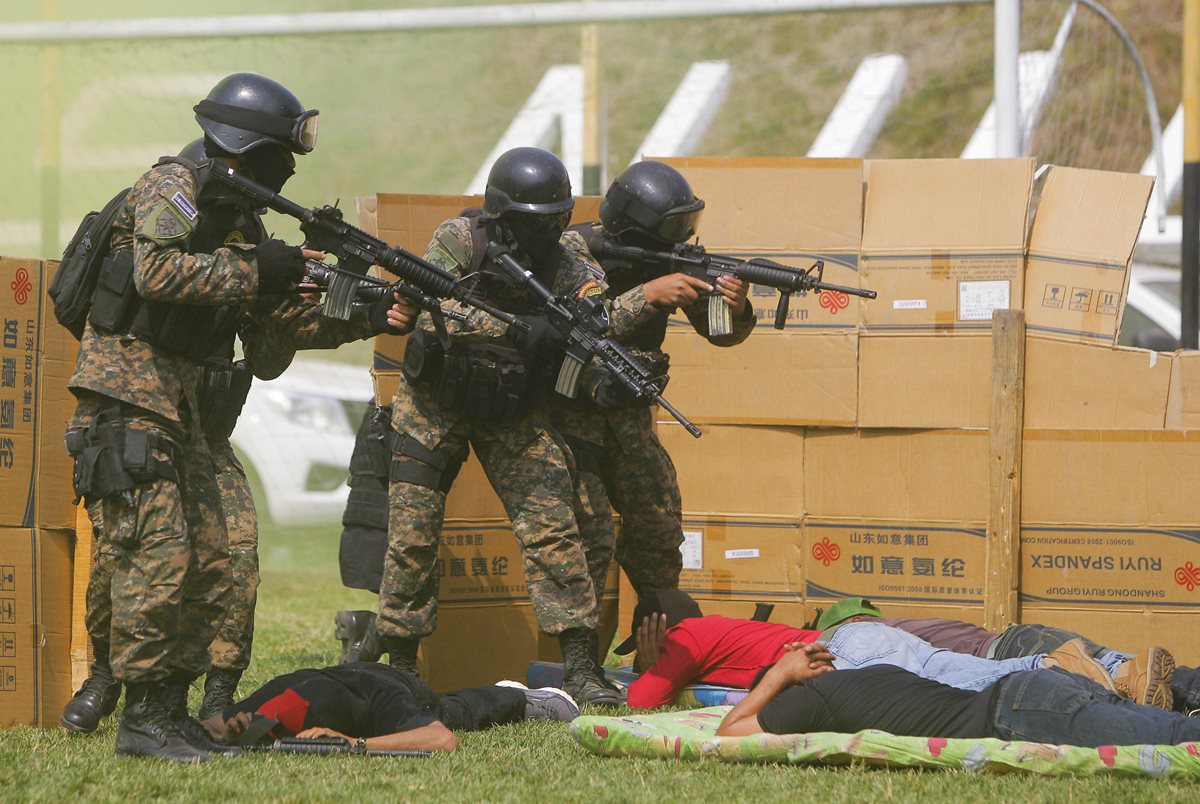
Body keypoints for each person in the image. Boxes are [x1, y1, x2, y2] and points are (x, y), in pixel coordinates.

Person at [61, 73, 412, 764]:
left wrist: (365, 315)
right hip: (128, 401)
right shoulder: (172, 186)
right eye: (281, 156)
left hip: (184, 412)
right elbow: (156, 274)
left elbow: (272, 333)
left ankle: (174, 711)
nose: (287, 172)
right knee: (159, 558)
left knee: (213, 559)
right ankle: (142, 720)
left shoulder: (240, 222)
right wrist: (261, 269)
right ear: (247, 147)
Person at [373, 147, 655, 707]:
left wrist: (601, 351)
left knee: (554, 528)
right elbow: (428, 301)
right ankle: (401, 665)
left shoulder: (569, 265)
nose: (547, 231)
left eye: (556, 219)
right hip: (434, 407)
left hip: (511, 410)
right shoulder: (460, 239)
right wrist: (514, 327)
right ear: (502, 216)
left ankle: (580, 665)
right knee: (412, 536)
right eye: (534, 221)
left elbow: (596, 312)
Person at [568, 162, 754, 598]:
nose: (682, 237)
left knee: (660, 526)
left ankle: (659, 628)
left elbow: (720, 333)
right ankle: (577, 641)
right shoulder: (573, 250)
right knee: (588, 541)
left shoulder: (667, 259)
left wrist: (735, 307)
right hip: (569, 416)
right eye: (672, 227)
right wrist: (648, 295)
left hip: (629, 417)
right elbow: (573, 321)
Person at [618, 590, 1161, 711]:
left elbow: (641, 701)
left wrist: (650, 663)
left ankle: (1062, 670)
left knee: (956, 686)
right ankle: (1100, 671)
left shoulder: (685, 638)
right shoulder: (718, 629)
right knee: (960, 670)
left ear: (657, 629)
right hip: (864, 636)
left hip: (841, 653)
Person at [716, 643, 1200, 747]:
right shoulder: (874, 672)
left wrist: (777, 676)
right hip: (1043, 684)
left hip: (1021, 711)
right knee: (1176, 728)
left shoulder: (808, 698)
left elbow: (729, 731)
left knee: (1178, 738)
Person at [812, 596, 1188, 711]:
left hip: (1007, 651)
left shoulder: (872, 635)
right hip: (1020, 636)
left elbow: (940, 671)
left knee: (1083, 679)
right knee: (1119, 668)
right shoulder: (904, 624)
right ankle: (1135, 679)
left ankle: (1067, 667)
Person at [200, 662, 578, 753]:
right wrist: (230, 733)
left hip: (392, 682)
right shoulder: (278, 693)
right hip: (343, 673)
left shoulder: (378, 700)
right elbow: (208, 728)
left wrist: (355, 743)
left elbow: (442, 741)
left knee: (449, 715)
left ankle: (521, 697)